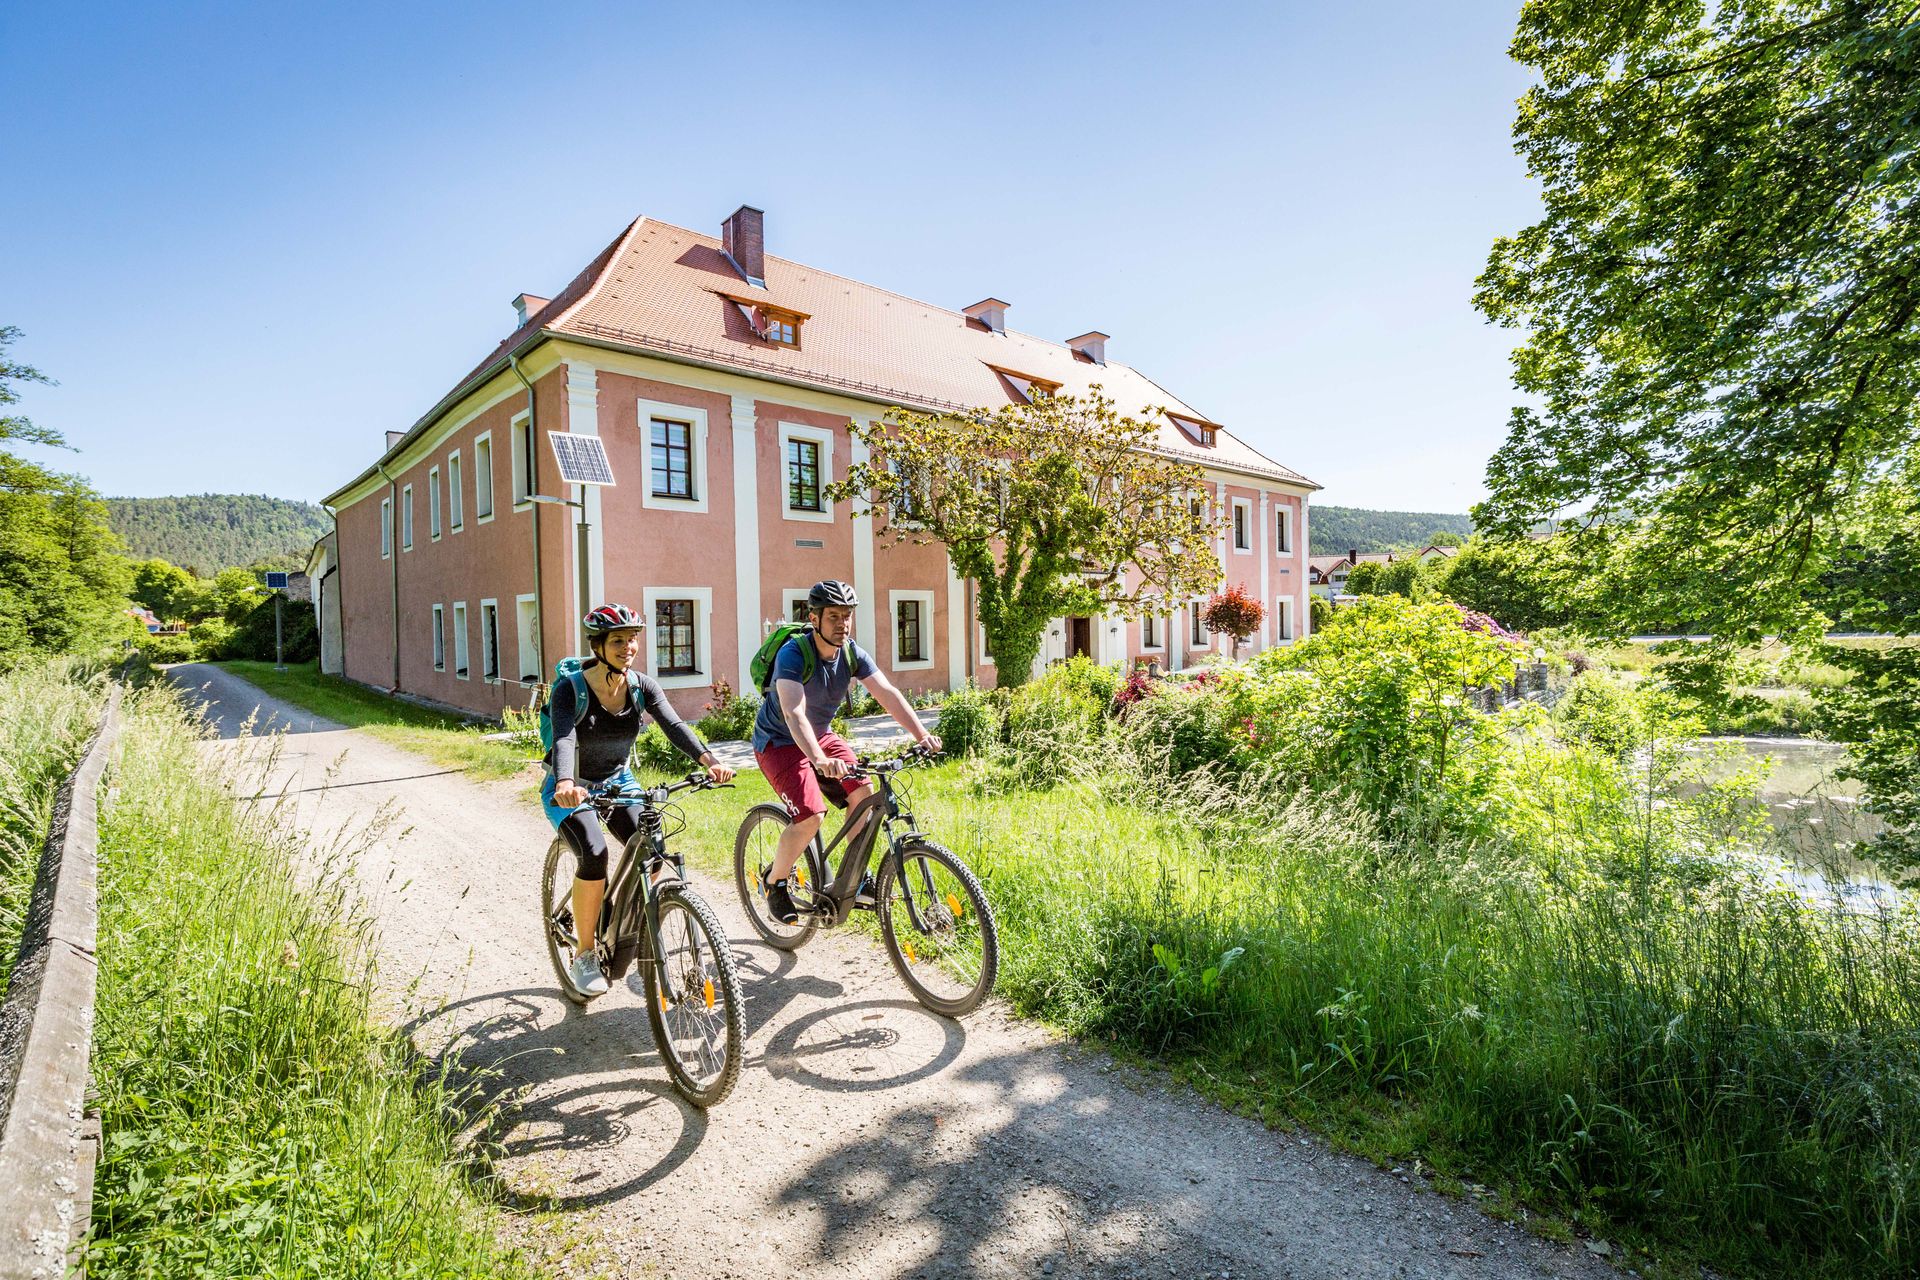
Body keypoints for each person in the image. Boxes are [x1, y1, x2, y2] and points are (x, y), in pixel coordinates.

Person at [545, 603, 735, 996]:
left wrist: (709, 760)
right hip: (573, 787)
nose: (628, 647)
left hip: (618, 781)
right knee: (594, 853)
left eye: (632, 639)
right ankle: (583, 954)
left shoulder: (642, 686)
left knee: (655, 849)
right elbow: (564, 737)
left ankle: (627, 916)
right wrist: (565, 781)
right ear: (598, 645)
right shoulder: (571, 689)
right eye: (618, 640)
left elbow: (674, 725)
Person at [751, 580, 940, 924]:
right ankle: (775, 881)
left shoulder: (852, 653)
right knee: (810, 815)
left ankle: (855, 876)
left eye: (847, 616)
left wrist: (922, 733)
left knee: (865, 792)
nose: (842, 623)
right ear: (814, 618)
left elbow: (888, 694)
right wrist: (820, 760)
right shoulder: (793, 654)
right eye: (834, 616)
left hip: (820, 735)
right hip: (778, 741)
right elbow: (793, 712)